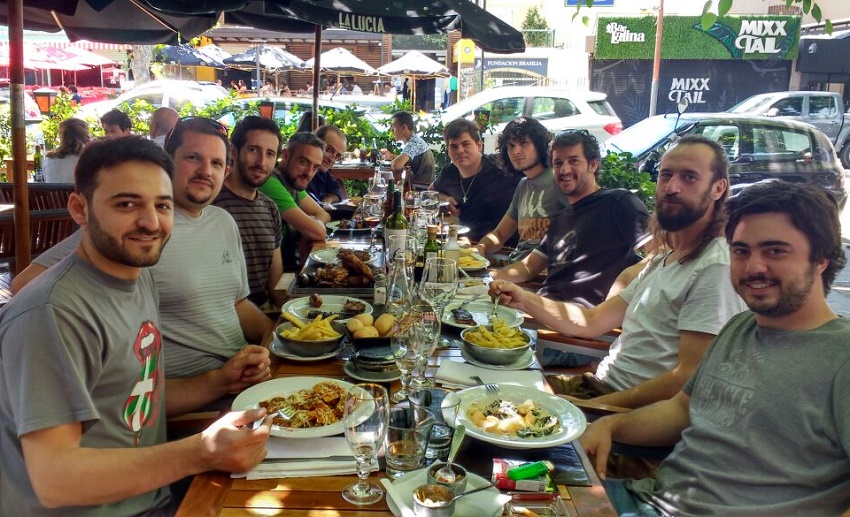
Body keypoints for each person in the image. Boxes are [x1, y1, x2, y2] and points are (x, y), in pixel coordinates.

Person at [0, 136, 272, 515]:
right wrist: (201, 452)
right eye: (127, 204)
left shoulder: (137, 276)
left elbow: (135, 402)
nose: (150, 222)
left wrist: (222, 381)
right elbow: (54, 479)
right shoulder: (52, 312)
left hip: (155, 490)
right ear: (80, 209)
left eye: (162, 205)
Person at [581, 180, 850, 515]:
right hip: (647, 499)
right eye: (741, 251)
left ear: (821, 258)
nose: (754, 267)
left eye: (776, 251)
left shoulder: (841, 356)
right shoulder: (740, 327)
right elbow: (681, 410)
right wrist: (609, 425)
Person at [490, 135, 747, 409]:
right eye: (666, 175)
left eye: (689, 177)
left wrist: (589, 408)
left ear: (718, 188)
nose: (672, 187)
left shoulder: (715, 268)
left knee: (497, 408)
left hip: (625, 412)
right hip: (598, 387)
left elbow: (688, 380)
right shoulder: (664, 260)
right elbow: (590, 322)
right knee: (489, 390)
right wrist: (523, 298)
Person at [12, 117, 275, 379]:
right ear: (168, 162)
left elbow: (237, 303)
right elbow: (25, 286)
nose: (206, 171)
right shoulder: (141, 231)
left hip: (243, 375)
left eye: (216, 163)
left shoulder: (222, 221)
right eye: (193, 157)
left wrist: (273, 334)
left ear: (225, 172)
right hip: (187, 396)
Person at [491, 130, 650, 305]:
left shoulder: (619, 203)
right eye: (558, 163)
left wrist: (625, 282)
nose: (564, 170)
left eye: (573, 161)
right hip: (543, 307)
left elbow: (660, 255)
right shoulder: (559, 219)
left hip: (581, 319)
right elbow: (529, 267)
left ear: (593, 165)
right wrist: (487, 278)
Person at [213, 116, 284, 308]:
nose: (262, 162)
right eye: (254, 150)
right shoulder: (211, 205)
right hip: (225, 317)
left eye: (270, 154)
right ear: (234, 151)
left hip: (263, 312)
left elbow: (275, 283)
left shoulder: (270, 208)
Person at [475, 117, 563, 262]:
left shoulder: (558, 181)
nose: (516, 151)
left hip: (541, 275)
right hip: (514, 265)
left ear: (539, 145)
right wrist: (480, 248)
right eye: (510, 145)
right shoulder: (523, 185)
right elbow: (499, 235)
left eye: (523, 143)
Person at [431, 118, 519, 242]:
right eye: (453, 146)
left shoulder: (501, 165)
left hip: (501, 248)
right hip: (463, 244)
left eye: (465, 144)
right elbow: (431, 193)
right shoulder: (449, 172)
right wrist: (445, 199)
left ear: (479, 146)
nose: (460, 150)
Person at [259, 131, 331, 267]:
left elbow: (323, 214)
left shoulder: (293, 184)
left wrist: (307, 231)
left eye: (315, 167)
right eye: (303, 162)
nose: (309, 173)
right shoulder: (270, 183)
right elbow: (318, 232)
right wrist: (310, 228)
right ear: (285, 155)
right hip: (274, 275)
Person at [381, 111, 435, 186]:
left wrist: (394, 161)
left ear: (403, 127)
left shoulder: (414, 143)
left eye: (393, 127)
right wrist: (391, 156)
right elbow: (405, 160)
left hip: (421, 189)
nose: (392, 131)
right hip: (418, 186)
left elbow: (396, 166)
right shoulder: (414, 140)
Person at [307, 124, 348, 206]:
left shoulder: (323, 173)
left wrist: (327, 200)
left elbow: (338, 192)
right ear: (314, 143)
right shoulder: (302, 174)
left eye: (337, 156)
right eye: (328, 149)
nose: (331, 159)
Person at [43, 117, 90, 183]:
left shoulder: (49, 160)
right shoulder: (87, 161)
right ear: (86, 136)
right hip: (76, 193)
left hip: (53, 193)